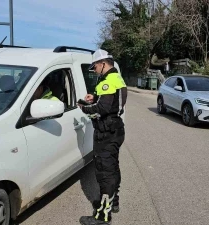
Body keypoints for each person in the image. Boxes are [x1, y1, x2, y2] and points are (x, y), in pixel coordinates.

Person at [78, 49, 127, 225]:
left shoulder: (107, 81)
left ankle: (102, 216)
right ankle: (114, 202)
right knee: (113, 168)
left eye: (95, 66)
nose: (94, 70)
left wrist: (83, 108)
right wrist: (95, 97)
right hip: (115, 130)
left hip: (106, 133)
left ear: (103, 64)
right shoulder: (117, 78)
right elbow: (110, 102)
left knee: (104, 173)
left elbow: (102, 110)